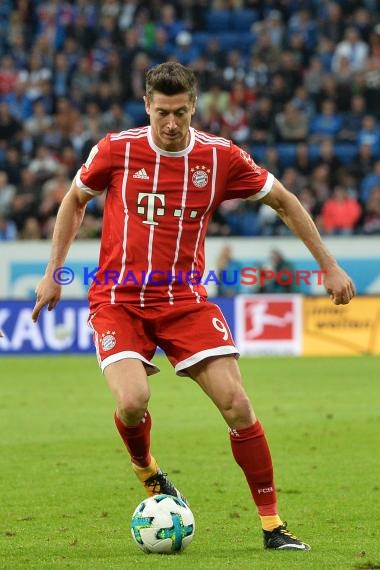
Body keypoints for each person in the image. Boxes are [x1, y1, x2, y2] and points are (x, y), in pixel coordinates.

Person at [32, 62, 355, 552]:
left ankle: (273, 526)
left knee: (238, 405)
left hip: (184, 301)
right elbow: (74, 201)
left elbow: (285, 201)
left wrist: (328, 265)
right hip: (118, 301)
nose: (170, 123)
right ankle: (148, 470)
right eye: (162, 112)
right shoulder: (116, 149)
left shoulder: (220, 157)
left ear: (193, 107)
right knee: (132, 402)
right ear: (147, 106)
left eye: (180, 112)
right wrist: (54, 272)